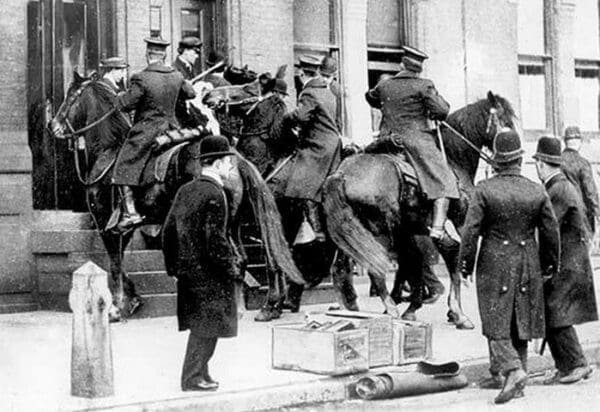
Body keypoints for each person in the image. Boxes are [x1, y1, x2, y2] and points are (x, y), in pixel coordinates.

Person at [458, 130, 560, 404]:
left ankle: (513, 371)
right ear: (520, 159)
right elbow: (551, 232)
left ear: (495, 160)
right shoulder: (536, 190)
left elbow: (470, 232)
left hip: (494, 261)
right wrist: (550, 264)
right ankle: (517, 376)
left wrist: (464, 265)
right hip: (528, 259)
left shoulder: (484, 189)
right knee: (520, 319)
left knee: (495, 322)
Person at [162, 135, 243, 392]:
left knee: (204, 326)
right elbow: (215, 239)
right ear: (217, 164)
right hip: (210, 272)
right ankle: (192, 377)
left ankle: (202, 373)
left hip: (188, 271)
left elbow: (167, 232)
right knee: (206, 328)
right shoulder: (216, 193)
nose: (231, 168)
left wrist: (173, 267)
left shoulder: (185, 190)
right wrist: (230, 269)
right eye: (228, 163)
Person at [364, 46, 458, 243]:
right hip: (416, 140)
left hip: (386, 140)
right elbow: (442, 111)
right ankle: (438, 227)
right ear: (419, 68)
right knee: (444, 178)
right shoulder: (424, 85)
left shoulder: (385, 85)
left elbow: (370, 97)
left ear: (401, 64)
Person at [112, 36, 196, 230]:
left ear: (147, 54)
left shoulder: (141, 77)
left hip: (148, 131)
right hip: (174, 129)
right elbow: (191, 94)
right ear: (165, 54)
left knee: (123, 164)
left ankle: (130, 213)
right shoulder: (176, 75)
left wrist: (119, 97)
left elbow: (126, 104)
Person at [532, 136, 598, 385]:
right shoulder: (559, 185)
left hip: (567, 264)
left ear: (541, 163)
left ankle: (577, 363)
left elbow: (548, 228)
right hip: (570, 261)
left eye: (537, 162)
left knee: (555, 313)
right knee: (554, 314)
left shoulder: (557, 189)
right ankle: (567, 366)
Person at [281, 55, 342, 242]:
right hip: (331, 143)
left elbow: (300, 116)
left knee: (300, 186)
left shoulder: (310, 92)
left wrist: (285, 118)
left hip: (317, 146)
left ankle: (315, 230)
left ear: (301, 73)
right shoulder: (329, 91)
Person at [561, 126, 600, 236]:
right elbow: (590, 191)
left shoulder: (555, 162)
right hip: (579, 213)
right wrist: (597, 212)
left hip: (558, 213)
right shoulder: (582, 163)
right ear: (580, 142)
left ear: (565, 141)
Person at [320, 56, 343, 133]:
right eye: (323, 75)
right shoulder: (316, 86)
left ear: (334, 75)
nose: (325, 79)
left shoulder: (336, 89)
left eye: (328, 76)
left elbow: (339, 113)